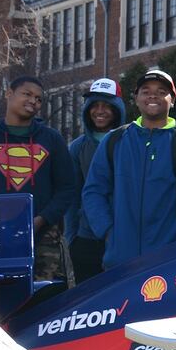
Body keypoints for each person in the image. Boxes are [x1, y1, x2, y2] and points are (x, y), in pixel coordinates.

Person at [81, 68, 176, 269]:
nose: (153, 95)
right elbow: (93, 191)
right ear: (136, 98)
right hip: (119, 262)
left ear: (172, 100)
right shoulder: (114, 141)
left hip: (167, 264)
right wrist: (108, 232)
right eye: (146, 91)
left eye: (161, 91)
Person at [0, 75, 78, 280]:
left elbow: (66, 188)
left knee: (47, 301)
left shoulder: (52, 139)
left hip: (44, 240)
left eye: (39, 99)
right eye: (27, 94)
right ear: (9, 94)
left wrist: (41, 220)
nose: (33, 101)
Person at [63, 77, 124, 283]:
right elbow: (72, 195)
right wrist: (72, 238)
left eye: (107, 105)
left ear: (118, 109)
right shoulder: (78, 147)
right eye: (95, 105)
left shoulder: (129, 141)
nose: (100, 111)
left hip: (122, 237)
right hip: (86, 239)